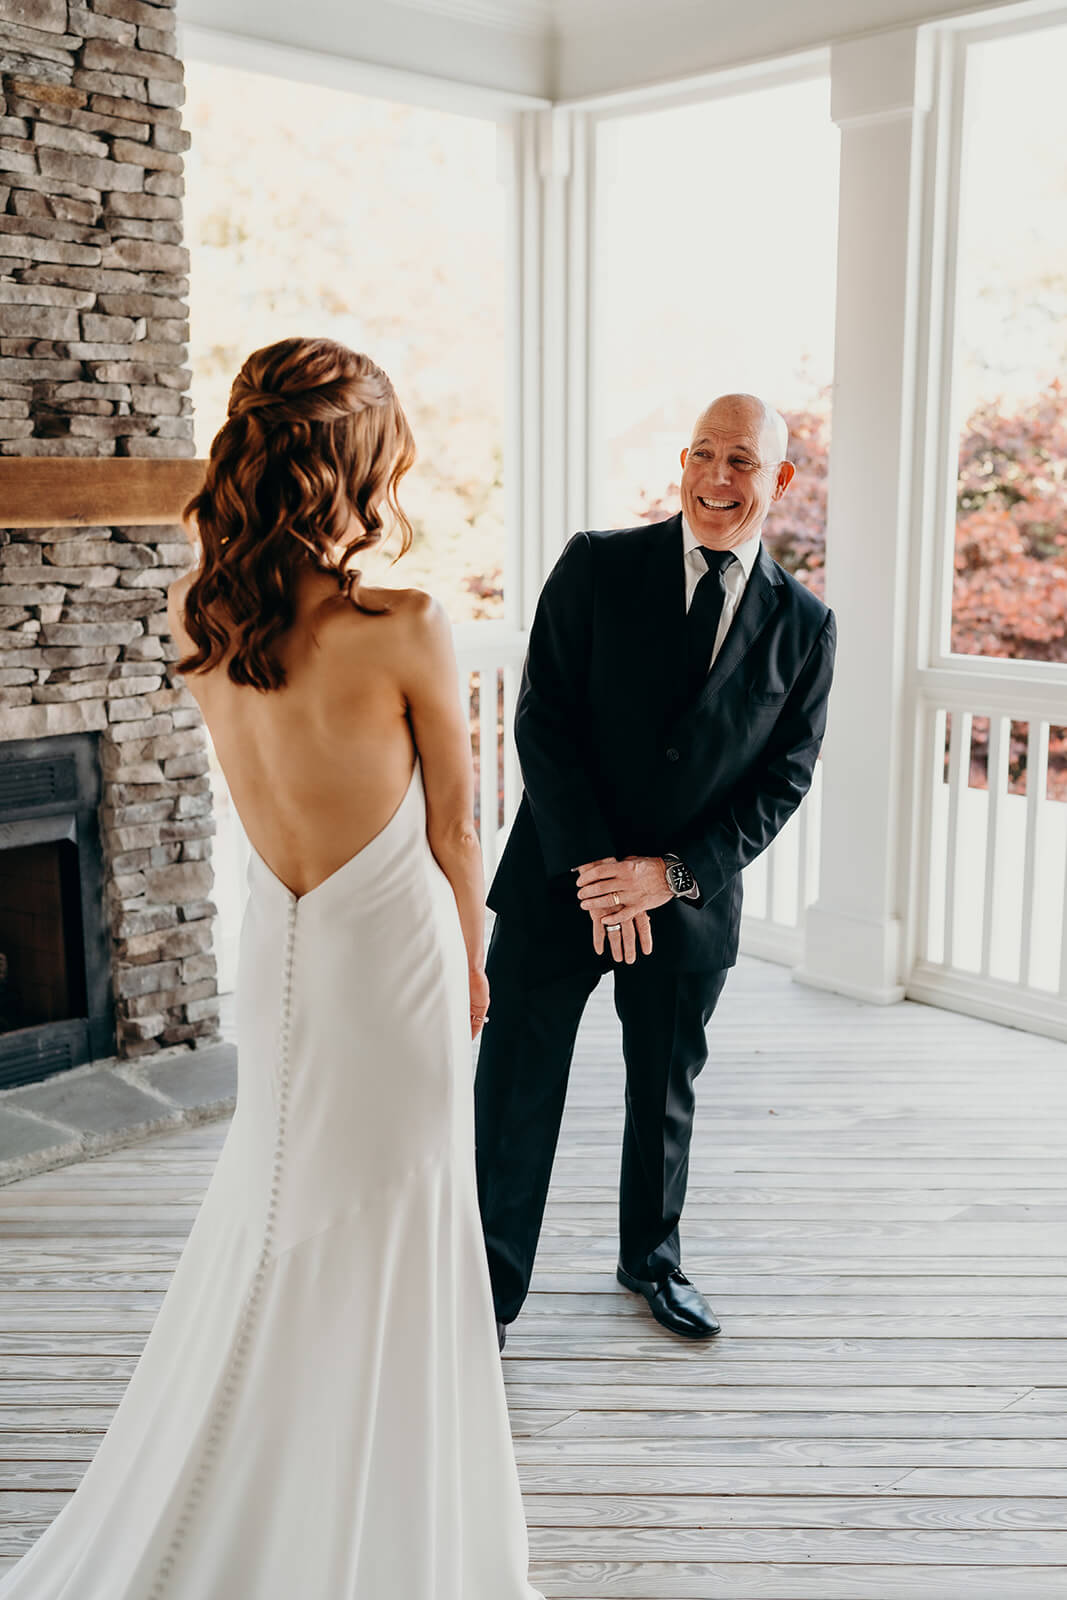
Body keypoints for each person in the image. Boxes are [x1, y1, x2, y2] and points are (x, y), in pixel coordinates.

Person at [0, 337, 543, 1600]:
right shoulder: (401, 624)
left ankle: (273, 1499)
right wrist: (475, 966)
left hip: (282, 955)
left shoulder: (205, 628)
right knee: (394, 1214)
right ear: (346, 469)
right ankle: (375, 1535)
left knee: (286, 1208)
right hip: (391, 963)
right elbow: (460, 829)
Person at [476, 393, 836, 1350]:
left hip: (685, 905)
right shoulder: (596, 564)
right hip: (562, 883)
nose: (719, 478)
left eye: (743, 462)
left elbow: (784, 778)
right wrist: (602, 866)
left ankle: (652, 1260)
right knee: (517, 1085)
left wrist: (669, 876)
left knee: (662, 1091)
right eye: (704, 455)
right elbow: (541, 720)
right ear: (683, 464)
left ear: (780, 479)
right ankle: (487, 1292)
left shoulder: (804, 625)